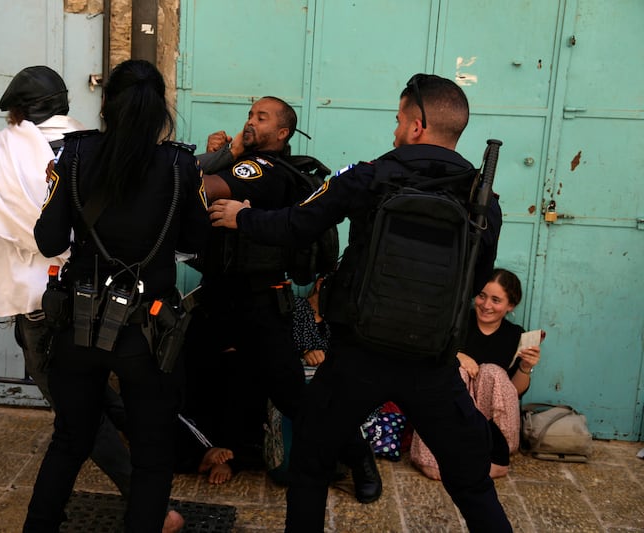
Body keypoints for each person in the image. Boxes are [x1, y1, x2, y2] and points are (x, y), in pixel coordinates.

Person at [208, 73, 512, 531]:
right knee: (472, 485)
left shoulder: (370, 176)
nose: (394, 131)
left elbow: (298, 224)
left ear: (416, 126)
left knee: (309, 468)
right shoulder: (482, 201)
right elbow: (472, 281)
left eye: (397, 120)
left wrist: (244, 217)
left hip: (357, 357)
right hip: (431, 365)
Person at [24, 59, 208, 533]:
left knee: (69, 440)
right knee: (151, 453)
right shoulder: (180, 166)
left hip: (79, 325)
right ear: (160, 111)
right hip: (147, 333)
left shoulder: (75, 155)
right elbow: (196, 239)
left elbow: (48, 241)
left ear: (105, 105)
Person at [187, 100, 381, 502]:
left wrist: (221, 158)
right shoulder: (246, 164)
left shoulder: (263, 169)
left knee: (293, 395)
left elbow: (197, 189)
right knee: (200, 373)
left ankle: (359, 457)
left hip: (258, 301)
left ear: (282, 135)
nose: (250, 122)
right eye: (250, 115)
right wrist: (220, 157)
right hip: (221, 295)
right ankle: (217, 451)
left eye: (262, 118)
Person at [0, 65, 134, 502]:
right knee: (96, 388)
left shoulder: (7, 146)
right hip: (92, 291)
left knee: (74, 409)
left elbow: (12, 215)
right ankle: (172, 455)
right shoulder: (89, 141)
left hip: (39, 300)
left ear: (18, 111)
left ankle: (145, 498)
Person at [411, 268, 542, 480]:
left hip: (485, 422)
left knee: (493, 373)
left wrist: (526, 367)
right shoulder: (457, 323)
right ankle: (434, 458)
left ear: (511, 306)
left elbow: (513, 391)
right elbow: (426, 362)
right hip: (450, 416)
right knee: (456, 371)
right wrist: (458, 357)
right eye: (482, 296)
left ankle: (491, 453)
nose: (486, 305)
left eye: (496, 300)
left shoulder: (515, 335)